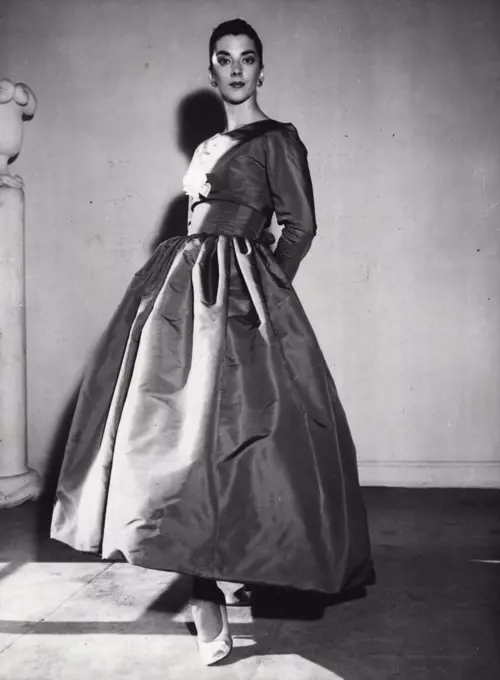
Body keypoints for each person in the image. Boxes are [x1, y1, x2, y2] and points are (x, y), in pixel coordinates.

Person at [50, 18, 374, 666]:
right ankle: (204, 592)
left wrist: (264, 286)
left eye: (247, 59)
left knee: (245, 443)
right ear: (211, 71)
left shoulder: (278, 139)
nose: (235, 69)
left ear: (261, 70)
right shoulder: (203, 148)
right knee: (174, 440)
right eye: (223, 59)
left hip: (241, 301)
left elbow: (300, 224)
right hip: (179, 300)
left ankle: (234, 564)